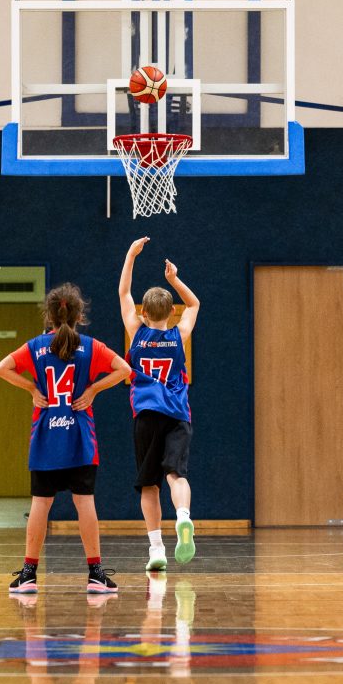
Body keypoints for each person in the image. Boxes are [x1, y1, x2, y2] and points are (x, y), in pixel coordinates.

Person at [0, 283, 131, 594]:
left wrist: (32, 388)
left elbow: (1, 368)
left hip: (46, 437)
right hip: (80, 437)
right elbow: (124, 369)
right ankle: (95, 574)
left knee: (40, 503)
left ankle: (28, 574)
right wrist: (93, 389)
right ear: (79, 315)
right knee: (85, 502)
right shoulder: (91, 347)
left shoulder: (35, 347)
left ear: (49, 315)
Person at [119, 237, 200, 571]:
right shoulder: (179, 335)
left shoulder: (136, 333)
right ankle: (183, 516)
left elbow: (124, 292)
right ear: (171, 312)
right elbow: (194, 304)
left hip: (147, 415)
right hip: (177, 414)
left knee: (148, 485)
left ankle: (156, 549)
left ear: (143, 312)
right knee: (176, 475)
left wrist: (131, 255)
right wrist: (174, 279)